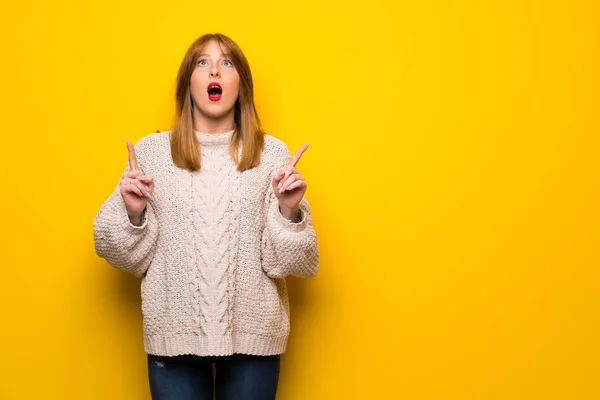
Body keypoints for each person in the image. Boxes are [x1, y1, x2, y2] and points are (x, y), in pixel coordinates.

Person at [92, 32, 319, 400]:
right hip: (175, 340)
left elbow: (295, 262)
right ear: (189, 84)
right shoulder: (153, 153)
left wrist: (288, 209)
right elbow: (117, 252)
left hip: (253, 341)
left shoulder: (272, 154)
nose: (215, 69)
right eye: (203, 62)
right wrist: (132, 214)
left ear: (240, 84)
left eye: (227, 63)